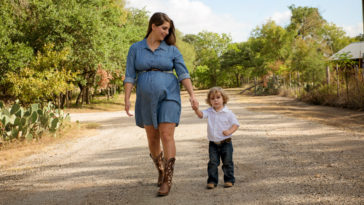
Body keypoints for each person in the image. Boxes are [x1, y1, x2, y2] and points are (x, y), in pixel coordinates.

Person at [123, 12, 197, 196]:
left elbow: (183, 73)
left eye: (168, 29)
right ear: (153, 26)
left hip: (169, 95)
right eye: (164, 28)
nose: (166, 32)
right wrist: (126, 98)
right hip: (145, 98)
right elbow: (130, 75)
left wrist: (192, 95)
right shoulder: (136, 48)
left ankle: (168, 180)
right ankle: (160, 168)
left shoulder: (172, 50)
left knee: (166, 134)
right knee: (152, 136)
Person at [192, 87, 239, 189]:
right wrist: (196, 109)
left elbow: (236, 124)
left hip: (226, 142)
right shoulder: (209, 111)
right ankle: (212, 181)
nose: (216, 100)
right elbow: (201, 115)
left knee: (227, 162)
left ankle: (229, 180)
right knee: (213, 163)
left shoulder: (228, 113)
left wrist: (229, 131)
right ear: (210, 101)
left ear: (224, 99)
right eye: (212, 98)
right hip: (213, 143)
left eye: (218, 97)